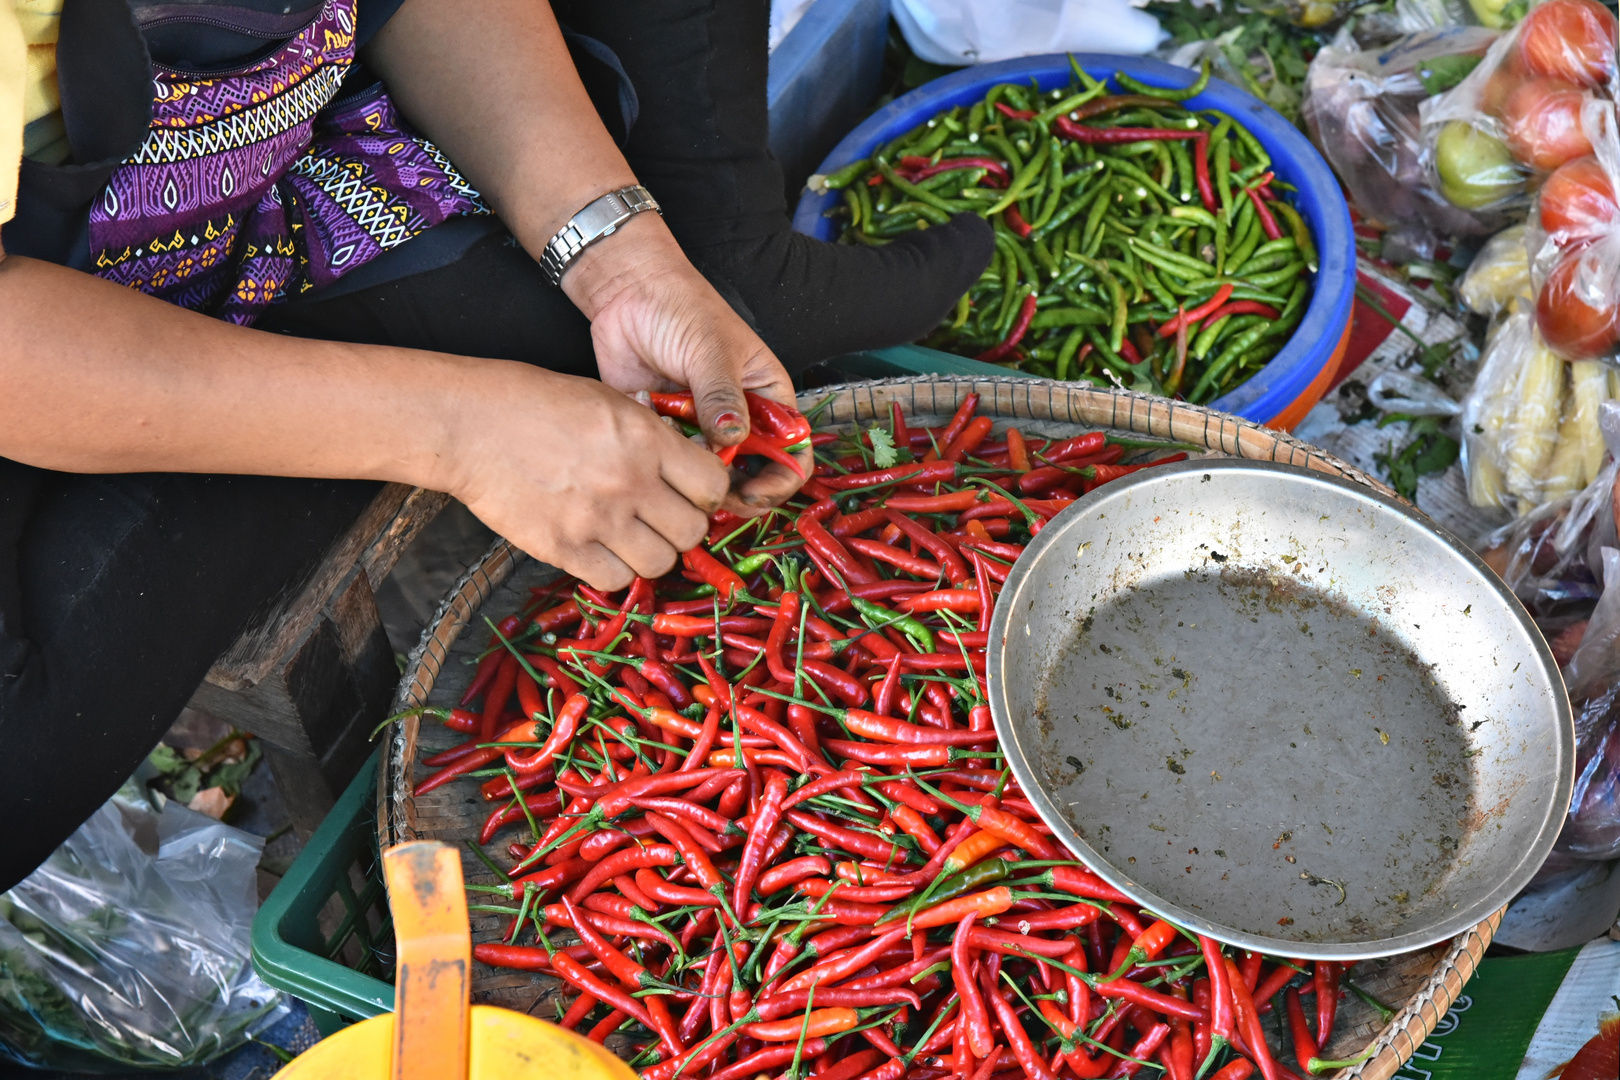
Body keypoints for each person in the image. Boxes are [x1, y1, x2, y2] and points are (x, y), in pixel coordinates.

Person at [0, 0, 993, 892]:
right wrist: (454, 429)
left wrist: (616, 251)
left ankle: (691, 256)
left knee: (672, 338)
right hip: (47, 320)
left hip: (280, 136)